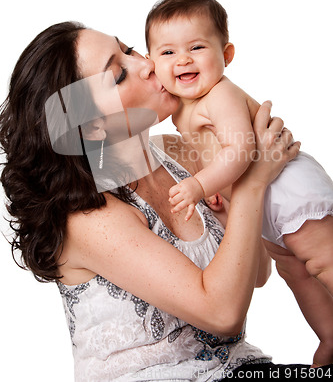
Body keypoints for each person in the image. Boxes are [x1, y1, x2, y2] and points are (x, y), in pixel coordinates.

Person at [1, 20, 325, 382]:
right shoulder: (87, 217)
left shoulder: (178, 154)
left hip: (238, 370)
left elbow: (257, 274)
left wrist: (246, 168)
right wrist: (253, 180)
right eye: (119, 74)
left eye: (128, 49)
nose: (146, 63)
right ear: (92, 126)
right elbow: (222, 313)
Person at [146, 0, 333, 368]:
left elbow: (243, 149)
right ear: (152, 64)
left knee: (324, 261)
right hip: (262, 203)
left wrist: (201, 185)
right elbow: (214, 155)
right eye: (167, 52)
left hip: (285, 188)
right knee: (294, 272)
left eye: (196, 47)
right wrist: (218, 189)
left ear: (226, 55)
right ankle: (329, 335)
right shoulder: (181, 109)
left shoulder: (220, 94)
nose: (182, 59)